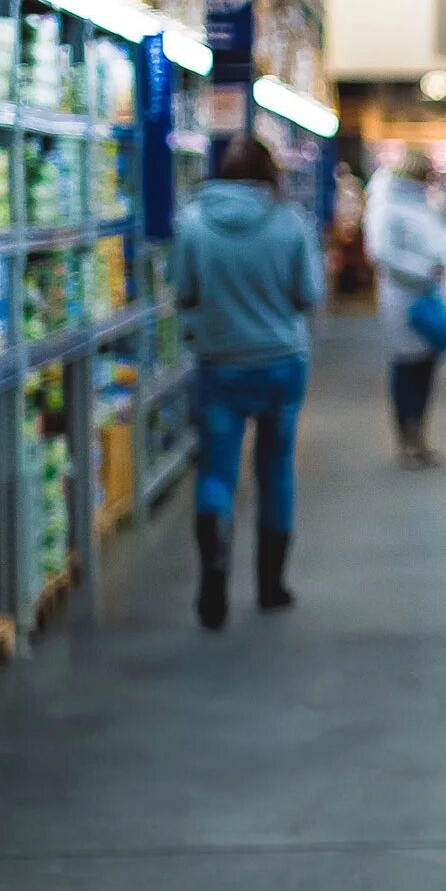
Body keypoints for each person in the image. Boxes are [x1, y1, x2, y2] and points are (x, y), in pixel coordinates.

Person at [172, 134, 323, 630]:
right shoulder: (291, 222)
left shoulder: (192, 222)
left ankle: (213, 582)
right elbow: (308, 293)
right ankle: (271, 585)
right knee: (275, 468)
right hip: (281, 361)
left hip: (220, 363)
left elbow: (184, 292)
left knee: (216, 470)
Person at [365, 144, 446, 466]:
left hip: (432, 299)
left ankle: (418, 433)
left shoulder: (427, 202)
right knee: (407, 368)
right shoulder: (388, 205)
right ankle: (406, 436)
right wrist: (422, 270)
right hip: (405, 299)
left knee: (426, 367)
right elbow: (381, 253)